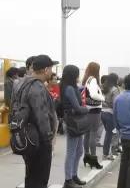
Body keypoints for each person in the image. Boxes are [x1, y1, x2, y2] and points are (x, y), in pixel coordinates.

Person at [10, 54, 58, 188]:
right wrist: (48, 139)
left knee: (31, 175)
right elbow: (41, 115)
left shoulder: (21, 83)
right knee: (39, 179)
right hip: (38, 141)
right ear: (47, 70)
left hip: (26, 136)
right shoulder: (37, 87)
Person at [60, 65, 89, 188]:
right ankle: (68, 180)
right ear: (73, 75)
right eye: (77, 74)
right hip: (73, 123)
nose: (78, 76)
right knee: (72, 152)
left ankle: (74, 175)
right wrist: (86, 109)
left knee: (79, 151)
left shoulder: (68, 87)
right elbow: (77, 107)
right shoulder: (70, 89)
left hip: (76, 122)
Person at [81, 62, 105, 169]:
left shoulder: (87, 79)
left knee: (87, 134)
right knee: (93, 133)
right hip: (95, 110)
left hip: (87, 109)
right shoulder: (94, 80)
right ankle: (94, 159)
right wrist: (103, 98)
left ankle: (86, 156)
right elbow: (94, 94)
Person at [101, 73, 121, 160]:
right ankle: (106, 153)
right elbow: (115, 103)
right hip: (110, 113)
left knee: (107, 133)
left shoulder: (104, 88)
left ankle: (106, 152)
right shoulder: (115, 89)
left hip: (102, 112)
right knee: (110, 134)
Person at [47, 73, 60, 155]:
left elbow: (58, 99)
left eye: (56, 79)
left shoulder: (57, 88)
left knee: (55, 128)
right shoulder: (45, 88)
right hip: (45, 111)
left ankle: (51, 148)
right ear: (50, 80)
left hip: (53, 112)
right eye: (54, 79)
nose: (56, 81)